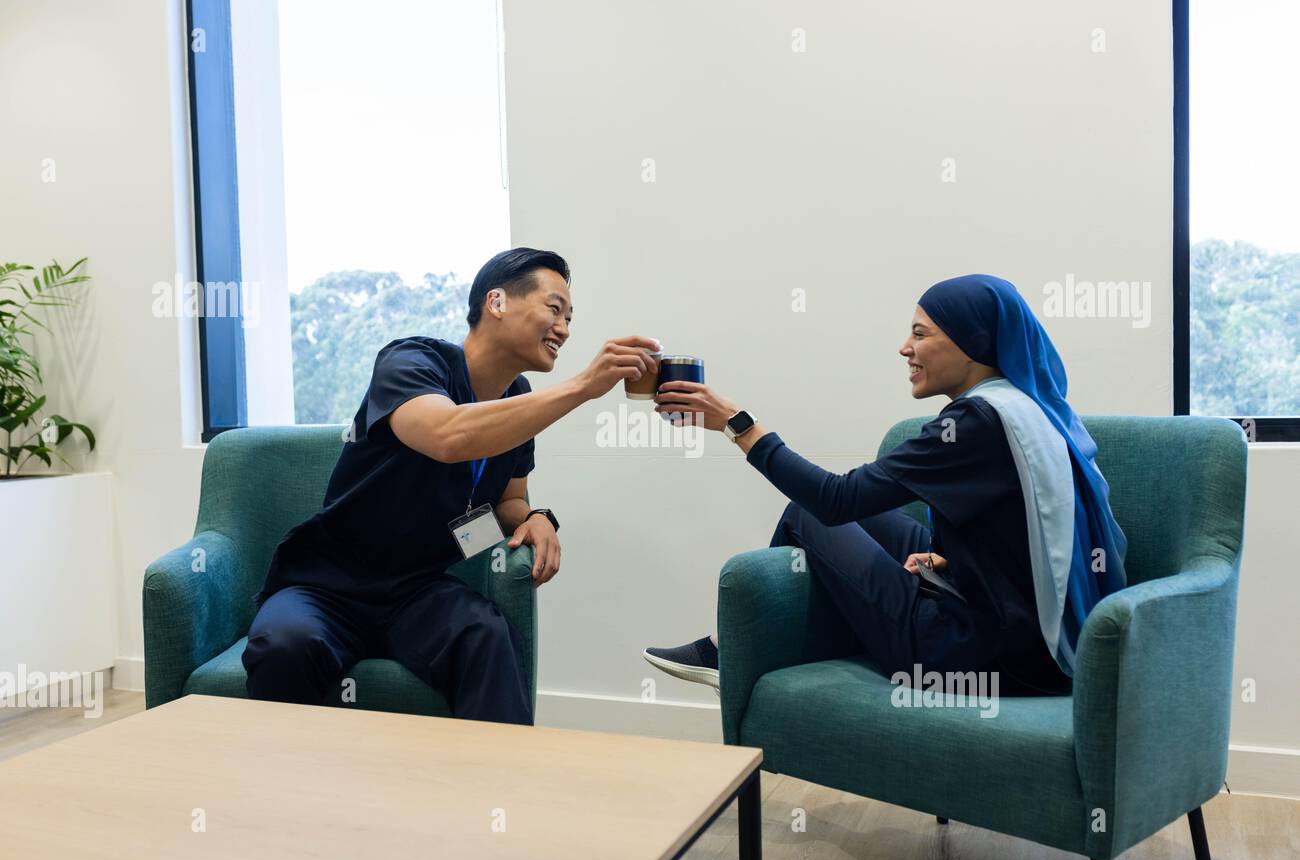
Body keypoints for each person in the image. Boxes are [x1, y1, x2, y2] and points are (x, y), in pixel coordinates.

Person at [645, 274, 1128, 697]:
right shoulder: (1027, 407)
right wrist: (949, 559)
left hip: (982, 658)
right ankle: (794, 640)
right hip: (1029, 636)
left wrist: (737, 425)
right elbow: (1032, 535)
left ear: (972, 342)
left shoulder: (978, 422)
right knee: (869, 521)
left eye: (921, 333)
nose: (905, 348)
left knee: (808, 513)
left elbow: (837, 499)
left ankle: (730, 652)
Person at [243, 248, 660, 724]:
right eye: (554, 308)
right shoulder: (412, 361)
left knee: (487, 634)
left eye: (569, 317)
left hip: (416, 591)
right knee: (285, 645)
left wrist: (536, 517)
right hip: (329, 585)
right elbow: (446, 436)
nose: (564, 328)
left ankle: (492, 794)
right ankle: (289, 790)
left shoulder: (518, 398)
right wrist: (583, 387)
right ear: (497, 302)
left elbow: (507, 499)